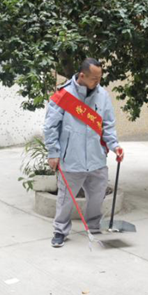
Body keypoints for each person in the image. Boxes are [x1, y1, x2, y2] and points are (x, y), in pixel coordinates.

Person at [44, 58, 124, 248]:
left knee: (97, 196)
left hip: (97, 158)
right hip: (71, 159)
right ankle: (60, 230)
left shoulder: (103, 95)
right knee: (65, 198)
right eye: (94, 78)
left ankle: (94, 227)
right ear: (82, 76)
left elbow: (108, 125)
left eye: (99, 78)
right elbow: (50, 127)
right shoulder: (64, 95)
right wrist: (53, 153)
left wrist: (115, 146)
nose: (98, 82)